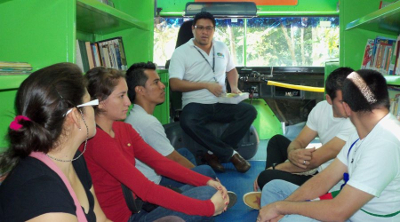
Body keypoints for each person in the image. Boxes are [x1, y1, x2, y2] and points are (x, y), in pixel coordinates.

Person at [82, 67, 231, 222]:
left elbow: (161, 164)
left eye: (126, 94)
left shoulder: (123, 129)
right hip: (128, 218)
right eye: (121, 96)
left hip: (139, 207)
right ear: (100, 103)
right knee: (206, 196)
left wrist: (206, 181)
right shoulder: (97, 141)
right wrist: (209, 208)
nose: (128, 102)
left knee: (207, 186)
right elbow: (146, 189)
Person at [258, 69, 400, 222]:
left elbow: (338, 212)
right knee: (272, 190)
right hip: (346, 206)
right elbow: (323, 180)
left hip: (355, 216)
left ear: (346, 107)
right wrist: (282, 206)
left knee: (288, 219)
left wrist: (281, 208)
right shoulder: (361, 133)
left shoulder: (384, 144)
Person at [0, 63, 110, 222]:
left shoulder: (74, 159)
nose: (96, 108)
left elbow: (101, 220)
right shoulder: (42, 195)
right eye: (91, 103)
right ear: (74, 116)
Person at [247, 67, 355, 201]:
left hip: (328, 181)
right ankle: (274, 190)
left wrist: (273, 169)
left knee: (266, 177)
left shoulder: (355, 122)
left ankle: (274, 191)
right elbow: (300, 142)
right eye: (342, 101)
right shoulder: (320, 108)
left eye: (352, 98)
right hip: (314, 168)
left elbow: (314, 162)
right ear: (329, 99)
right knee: (277, 141)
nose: (349, 105)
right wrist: (293, 152)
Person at [168, 11, 257, 173]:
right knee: (187, 121)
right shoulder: (181, 52)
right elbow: (174, 84)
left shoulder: (221, 47)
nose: (205, 32)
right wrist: (205, 85)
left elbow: (231, 70)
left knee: (249, 111)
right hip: (196, 103)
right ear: (193, 29)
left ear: (214, 30)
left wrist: (234, 87)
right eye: (200, 28)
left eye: (209, 28)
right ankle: (230, 154)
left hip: (222, 102)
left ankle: (211, 154)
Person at [125, 61, 216, 188]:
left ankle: (201, 188)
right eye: (156, 82)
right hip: (153, 185)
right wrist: (202, 179)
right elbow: (173, 159)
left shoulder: (135, 115)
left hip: (151, 175)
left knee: (185, 153)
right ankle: (208, 189)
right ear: (140, 90)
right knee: (206, 172)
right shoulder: (147, 122)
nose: (162, 86)